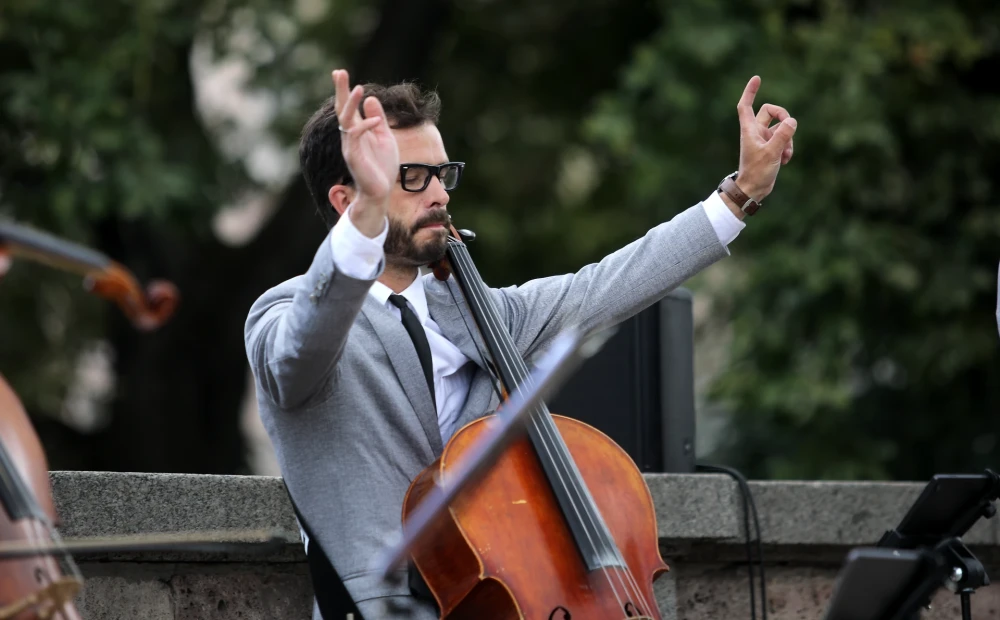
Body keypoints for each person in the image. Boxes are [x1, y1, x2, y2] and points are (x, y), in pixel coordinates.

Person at [244, 68, 797, 619]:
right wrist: (364, 225)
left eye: (442, 174)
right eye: (410, 176)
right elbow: (303, 349)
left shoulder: (479, 307)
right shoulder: (285, 315)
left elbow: (607, 284)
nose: (439, 193)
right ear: (348, 200)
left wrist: (740, 193)